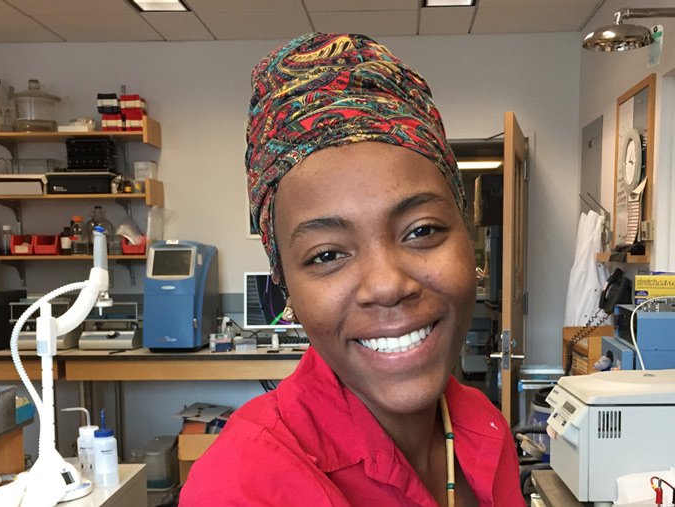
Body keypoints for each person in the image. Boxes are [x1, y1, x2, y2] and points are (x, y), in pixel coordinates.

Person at [181, 32, 524, 507]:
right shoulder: (246, 485)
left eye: (421, 230)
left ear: (467, 240)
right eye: (326, 255)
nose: (386, 285)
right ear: (287, 292)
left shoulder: (480, 424)